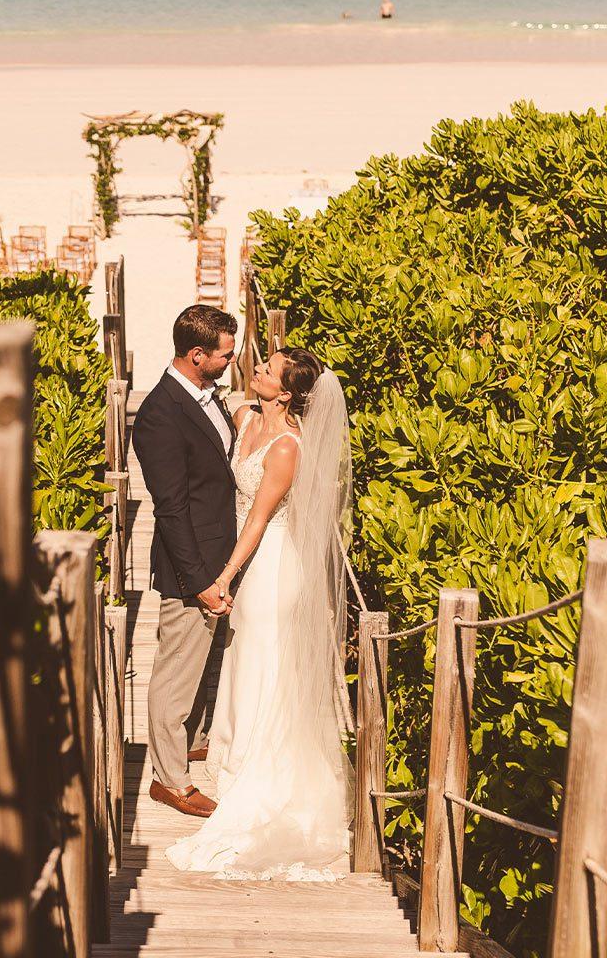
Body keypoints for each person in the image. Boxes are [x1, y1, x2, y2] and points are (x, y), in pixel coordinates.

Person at [165, 347, 354, 877]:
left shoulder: (289, 448)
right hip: (244, 564)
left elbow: (258, 521)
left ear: (288, 392)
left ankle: (262, 769)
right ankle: (234, 751)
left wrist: (221, 577)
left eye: (268, 371)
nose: (258, 370)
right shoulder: (244, 415)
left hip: (271, 568)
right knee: (244, 657)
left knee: (266, 662)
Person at [131, 304, 239, 819]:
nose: (231, 363)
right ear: (197, 356)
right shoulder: (159, 414)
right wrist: (199, 582)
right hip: (189, 569)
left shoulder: (206, 396)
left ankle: (191, 743)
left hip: (218, 555)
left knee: (198, 667)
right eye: (225, 355)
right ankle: (169, 781)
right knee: (174, 677)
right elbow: (170, 508)